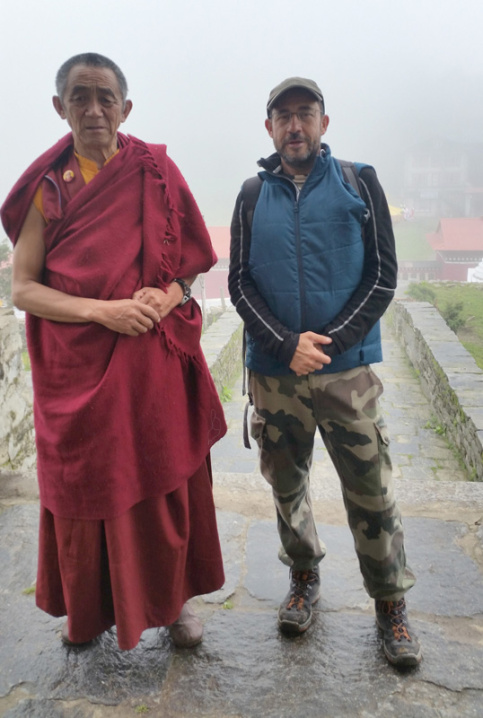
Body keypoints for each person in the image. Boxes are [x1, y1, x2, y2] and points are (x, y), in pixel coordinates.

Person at [1, 53, 227, 651]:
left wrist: (166, 291)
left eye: (106, 98)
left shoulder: (156, 170)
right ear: (60, 108)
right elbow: (23, 287)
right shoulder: (47, 189)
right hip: (75, 367)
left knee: (164, 482)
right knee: (88, 491)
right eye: (80, 97)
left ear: (126, 108)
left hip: (151, 362)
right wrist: (104, 311)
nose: (94, 109)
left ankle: (176, 602)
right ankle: (90, 610)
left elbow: (194, 262)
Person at [229, 77, 421, 667]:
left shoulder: (359, 182)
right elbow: (239, 281)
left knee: (371, 489)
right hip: (275, 375)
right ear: (269, 128)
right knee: (287, 486)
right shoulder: (251, 194)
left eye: (305, 114)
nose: (294, 126)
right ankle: (303, 577)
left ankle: (390, 603)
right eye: (283, 116)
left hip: (348, 377)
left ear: (323, 123)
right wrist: (286, 344)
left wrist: (332, 342)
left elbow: (383, 276)